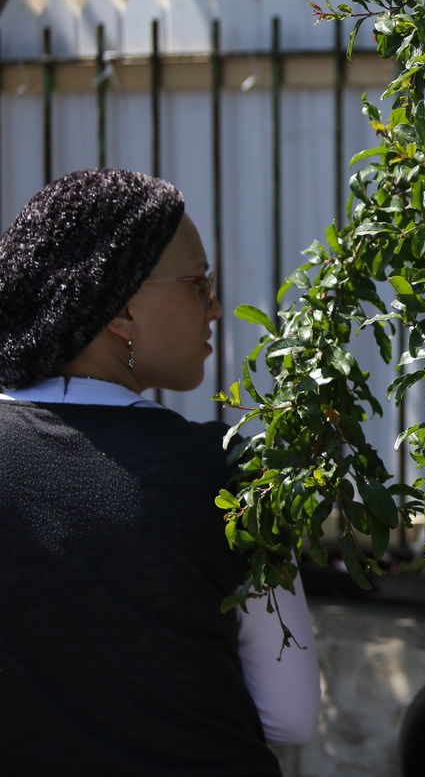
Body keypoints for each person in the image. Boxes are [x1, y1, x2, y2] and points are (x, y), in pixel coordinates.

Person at [0, 168, 320, 775]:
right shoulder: (227, 471)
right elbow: (291, 715)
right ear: (121, 308)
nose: (216, 308)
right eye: (199, 283)